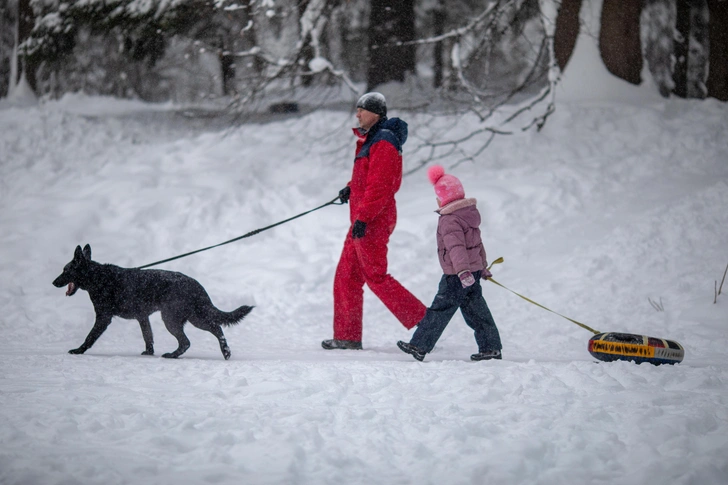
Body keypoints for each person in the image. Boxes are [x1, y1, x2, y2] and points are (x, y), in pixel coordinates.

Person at [322, 92, 426, 350]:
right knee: (346, 276)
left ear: (376, 113)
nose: (357, 114)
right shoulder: (372, 139)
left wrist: (365, 217)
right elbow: (368, 178)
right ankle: (347, 337)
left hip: (373, 219)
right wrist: (350, 188)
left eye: (361, 110)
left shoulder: (384, 140)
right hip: (363, 218)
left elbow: (381, 186)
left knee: (376, 276)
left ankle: (428, 322)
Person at [397, 165, 503, 361]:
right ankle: (491, 347)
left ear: (443, 198)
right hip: (472, 272)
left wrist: (463, 272)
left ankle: (419, 346)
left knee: (440, 309)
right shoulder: (469, 215)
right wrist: (481, 267)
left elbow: (457, 248)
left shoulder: (449, 219)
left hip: (457, 275)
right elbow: (477, 244)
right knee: (477, 311)